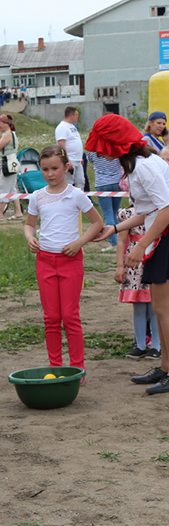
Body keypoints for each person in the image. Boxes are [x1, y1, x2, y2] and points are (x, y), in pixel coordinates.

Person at [87, 114, 169, 394]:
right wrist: (114, 228)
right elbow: (146, 211)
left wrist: (142, 244)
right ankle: (165, 368)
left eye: (102, 144)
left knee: (163, 309)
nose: (98, 150)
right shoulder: (137, 165)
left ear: (115, 144)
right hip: (159, 235)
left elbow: (166, 210)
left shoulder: (145, 167)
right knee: (160, 309)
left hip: (164, 238)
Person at [23, 145, 103, 378]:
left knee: (69, 316)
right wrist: (30, 237)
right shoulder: (37, 196)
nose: (50, 173)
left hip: (70, 260)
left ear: (67, 167)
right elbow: (29, 224)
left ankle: (77, 368)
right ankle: (56, 368)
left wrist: (80, 242)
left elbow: (97, 223)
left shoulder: (76, 194)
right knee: (51, 318)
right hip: (45, 261)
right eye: (45, 169)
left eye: (55, 168)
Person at [115, 206, 161, 360]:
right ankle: (140, 344)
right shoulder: (127, 214)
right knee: (139, 306)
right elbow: (121, 241)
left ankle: (157, 345)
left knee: (156, 307)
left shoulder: (161, 212)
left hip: (155, 257)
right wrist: (120, 266)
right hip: (134, 264)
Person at [0, 114, 25, 221]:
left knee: (3, 187)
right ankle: (18, 211)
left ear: (6, 124)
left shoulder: (7, 134)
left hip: (8, 162)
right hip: (11, 162)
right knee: (11, 188)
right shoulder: (11, 133)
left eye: (0, 123)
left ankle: (0, 213)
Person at [88, 150, 123, 251]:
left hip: (102, 184)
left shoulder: (93, 151)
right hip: (117, 183)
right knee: (115, 213)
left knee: (108, 214)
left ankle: (113, 243)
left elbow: (90, 160)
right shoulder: (114, 149)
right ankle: (120, 240)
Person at [55, 106, 85, 189]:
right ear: (71, 115)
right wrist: (67, 160)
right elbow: (61, 144)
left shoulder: (72, 126)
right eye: (76, 115)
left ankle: (79, 200)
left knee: (81, 181)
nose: (77, 117)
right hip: (70, 159)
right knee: (69, 183)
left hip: (77, 159)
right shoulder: (62, 127)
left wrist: (80, 157)